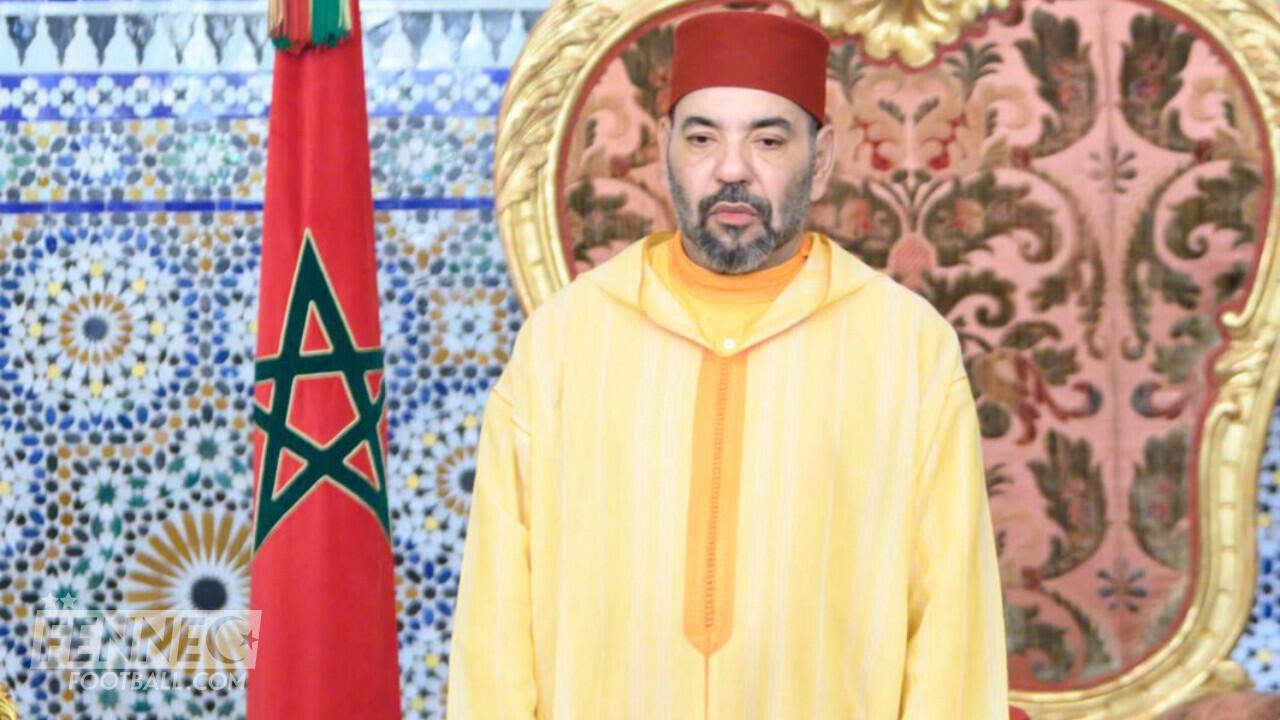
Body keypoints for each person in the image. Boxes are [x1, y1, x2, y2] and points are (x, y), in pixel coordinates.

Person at [446, 10, 1008, 719]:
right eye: (702, 137)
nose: (732, 169)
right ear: (665, 149)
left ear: (821, 159)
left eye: (767, 140)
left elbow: (953, 630)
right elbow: (497, 622)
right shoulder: (562, 342)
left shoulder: (908, 349)